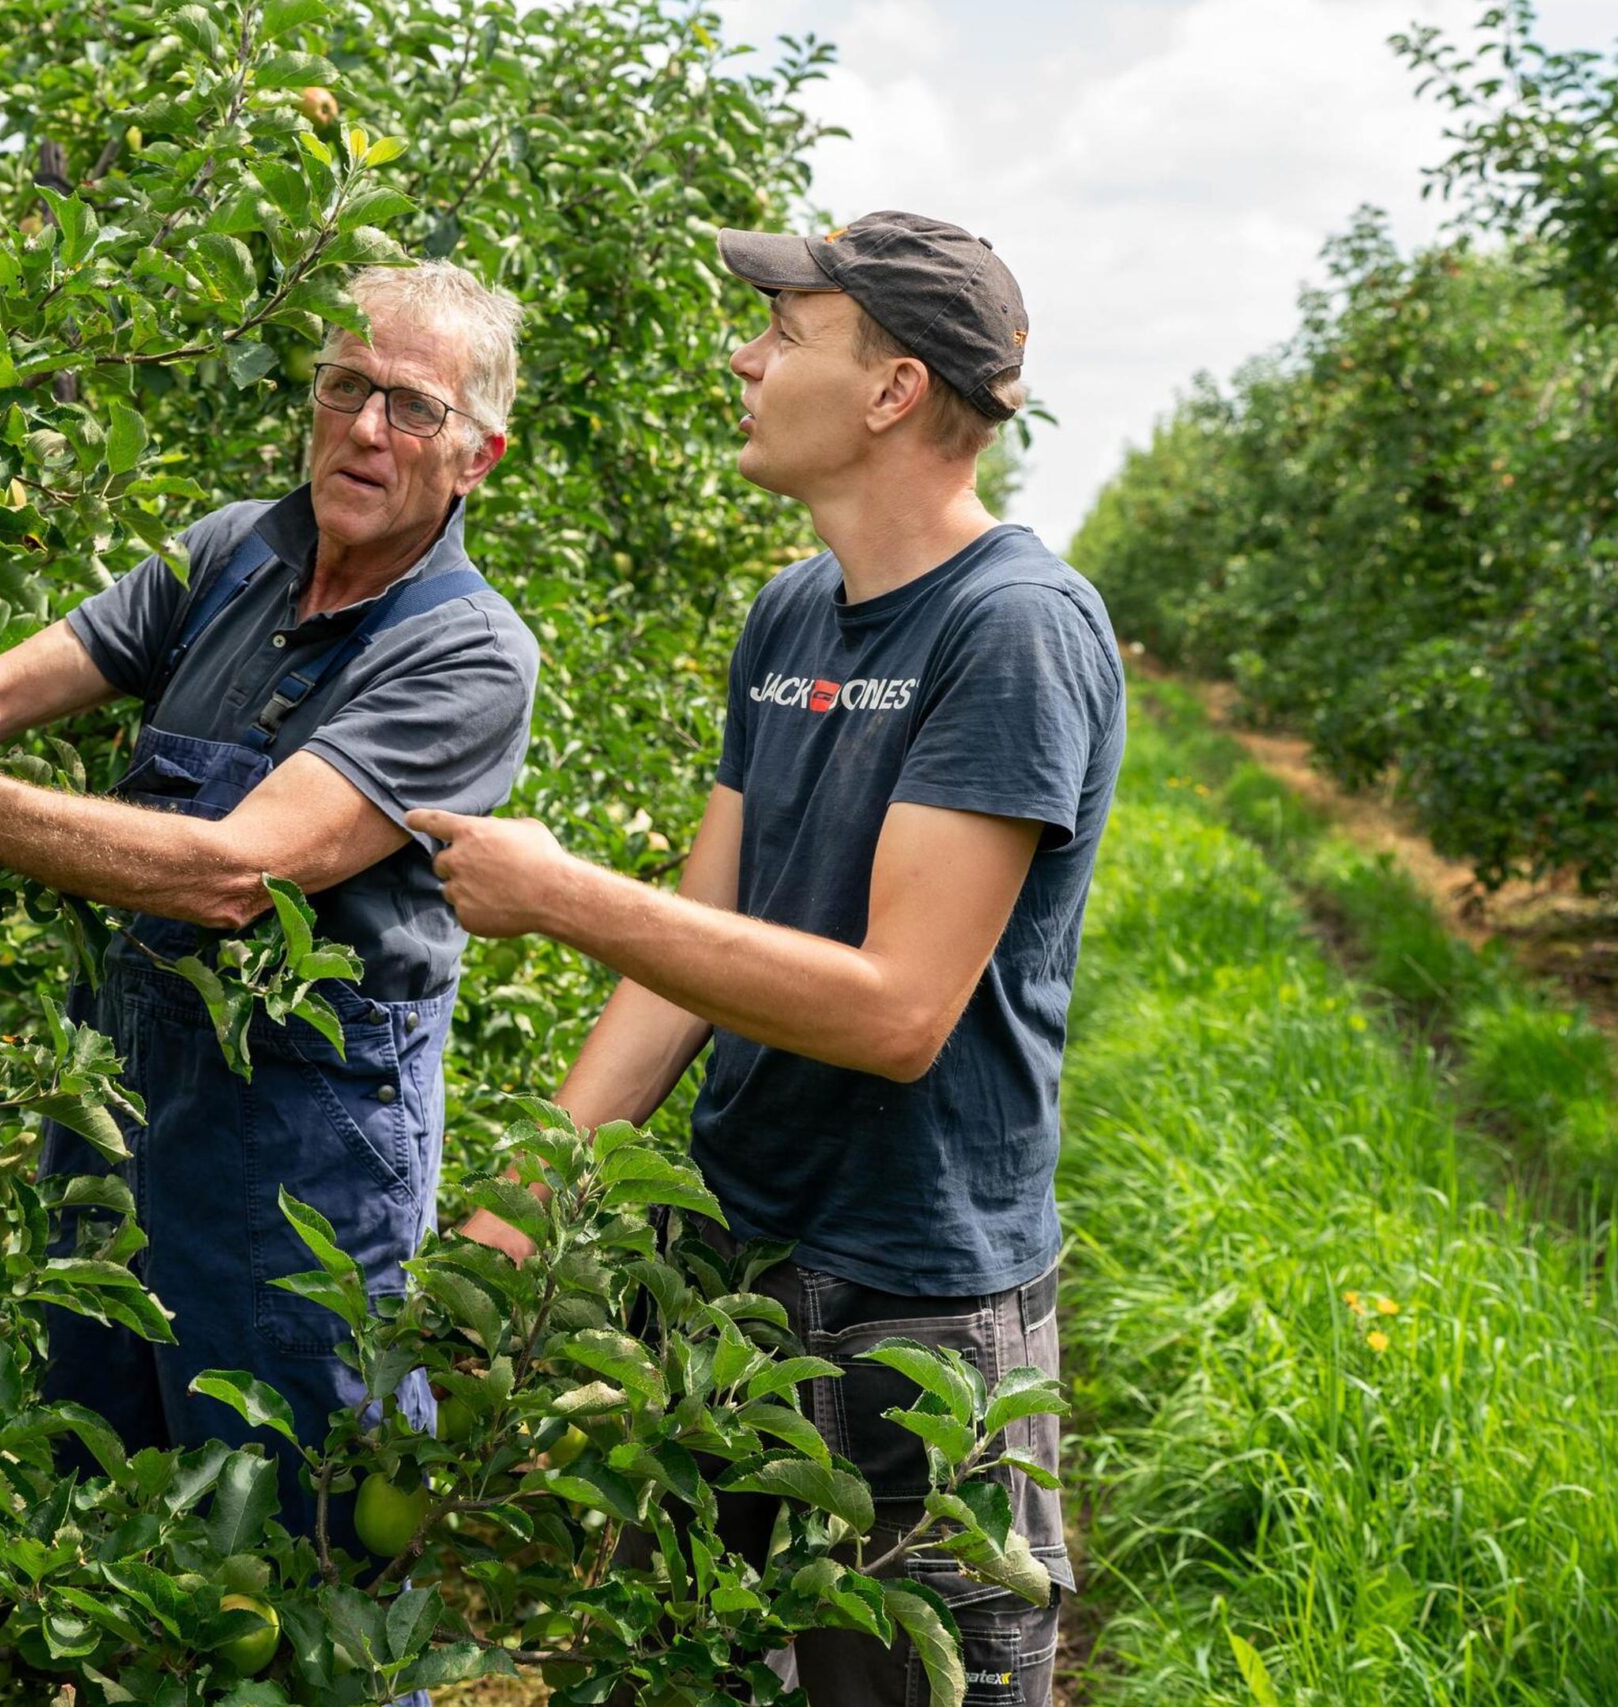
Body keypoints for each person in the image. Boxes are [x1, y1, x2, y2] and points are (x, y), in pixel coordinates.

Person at [408, 212, 1124, 1705]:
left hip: (916, 1295)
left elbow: (899, 1010)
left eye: (786, 333)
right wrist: (526, 1199)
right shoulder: (793, 609)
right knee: (696, 1657)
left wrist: (559, 895)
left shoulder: (1014, 630)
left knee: (913, 1677)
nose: (744, 354)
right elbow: (692, 946)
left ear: (892, 390)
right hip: (733, 1266)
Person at [0, 261, 539, 1538]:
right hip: (122, 1121)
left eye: (409, 407)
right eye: (344, 387)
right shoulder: (234, 551)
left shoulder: (466, 652)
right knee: (104, 1513)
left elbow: (238, 872)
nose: (361, 430)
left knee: (295, 1546)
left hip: (305, 1164)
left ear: (475, 458)